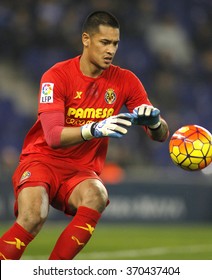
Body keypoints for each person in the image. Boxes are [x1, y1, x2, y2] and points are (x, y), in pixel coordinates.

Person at [0, 11, 169, 260]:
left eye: (115, 44)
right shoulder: (56, 76)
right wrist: (95, 129)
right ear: (86, 39)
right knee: (34, 215)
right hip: (41, 160)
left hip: (80, 171)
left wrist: (155, 122)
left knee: (97, 195)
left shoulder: (126, 81)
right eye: (104, 42)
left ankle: (55, 272)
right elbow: (54, 136)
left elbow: (160, 136)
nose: (110, 50)